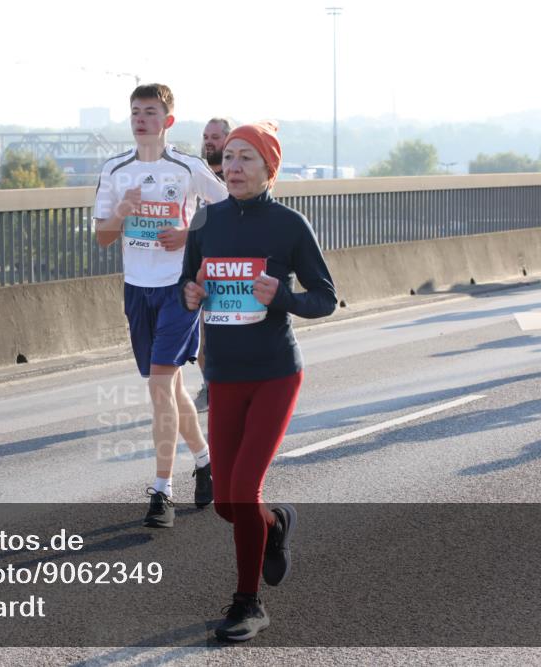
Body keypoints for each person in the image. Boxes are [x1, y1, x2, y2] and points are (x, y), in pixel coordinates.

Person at [180, 121, 337, 641]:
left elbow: (324, 297)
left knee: (244, 491)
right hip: (223, 374)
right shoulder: (206, 220)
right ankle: (276, 524)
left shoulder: (290, 225)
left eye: (247, 157)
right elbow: (190, 282)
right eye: (228, 157)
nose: (235, 167)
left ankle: (248, 603)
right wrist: (192, 295)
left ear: (270, 168)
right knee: (225, 503)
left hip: (274, 373)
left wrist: (284, 298)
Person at [94, 84, 228, 527]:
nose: (141, 118)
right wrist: (122, 212)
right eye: (135, 111)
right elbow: (103, 235)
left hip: (178, 288)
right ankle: (206, 462)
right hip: (137, 289)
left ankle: (161, 491)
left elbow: (228, 210)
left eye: (150, 111)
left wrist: (190, 237)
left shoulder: (186, 166)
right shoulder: (115, 169)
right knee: (168, 388)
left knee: (159, 386)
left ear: (167, 121)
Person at [192, 117, 233, 412]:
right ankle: (211, 386)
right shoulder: (195, 173)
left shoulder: (239, 174)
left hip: (236, 267)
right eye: (206, 136)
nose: (209, 141)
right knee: (205, 336)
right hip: (205, 265)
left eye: (215, 137)